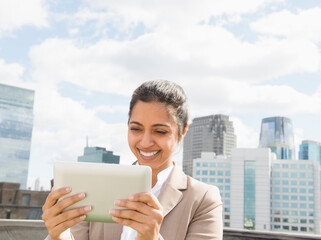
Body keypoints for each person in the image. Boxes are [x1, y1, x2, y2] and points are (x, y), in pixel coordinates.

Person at [42, 80, 223, 240]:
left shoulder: (203, 199)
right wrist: (59, 236)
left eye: (160, 131)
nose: (145, 142)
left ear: (182, 133)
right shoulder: (98, 186)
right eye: (136, 129)